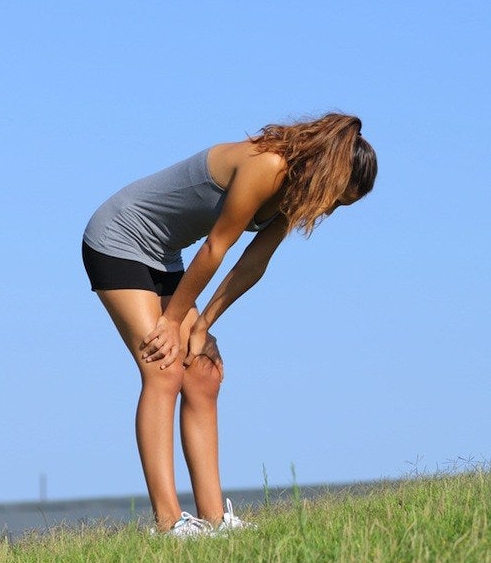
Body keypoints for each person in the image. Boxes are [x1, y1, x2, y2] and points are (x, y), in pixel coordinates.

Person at [82, 113, 377, 537]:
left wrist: (203, 324)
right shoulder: (268, 166)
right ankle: (167, 524)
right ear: (329, 172)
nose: (329, 209)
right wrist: (171, 321)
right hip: (119, 238)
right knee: (162, 368)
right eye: (336, 198)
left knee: (203, 373)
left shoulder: (296, 191)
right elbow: (216, 248)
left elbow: (254, 262)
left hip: (163, 253)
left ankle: (215, 520)